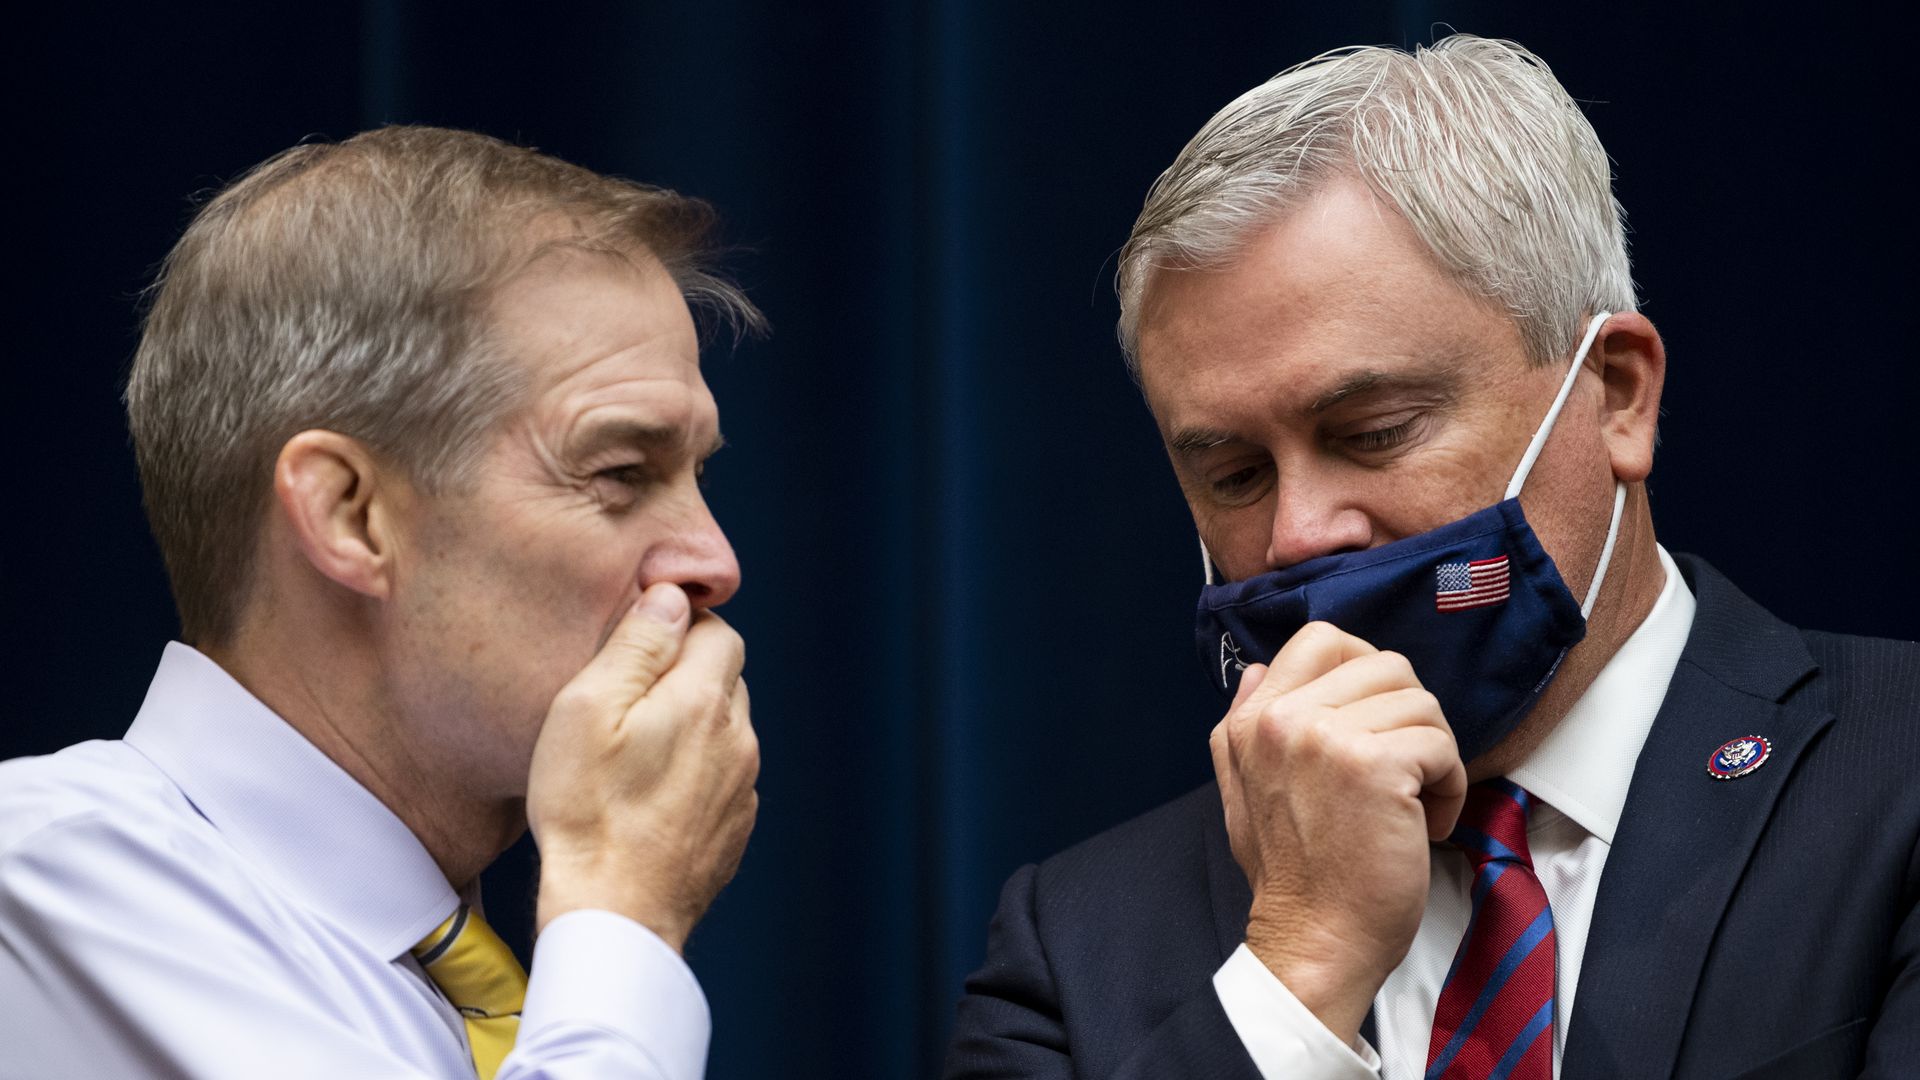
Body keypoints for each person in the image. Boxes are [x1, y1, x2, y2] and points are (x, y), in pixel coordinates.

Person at [945, 35, 1917, 1080]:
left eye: (1376, 430)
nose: (1301, 536)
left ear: (1620, 394)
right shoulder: (1074, 941)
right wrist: (1295, 979)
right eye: (1234, 474)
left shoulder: (1893, 778)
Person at [0, 126, 763, 1079]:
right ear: (349, 514)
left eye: (695, 475)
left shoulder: (456, 974)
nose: (713, 561)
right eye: (619, 471)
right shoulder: (39, 882)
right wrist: (623, 905)